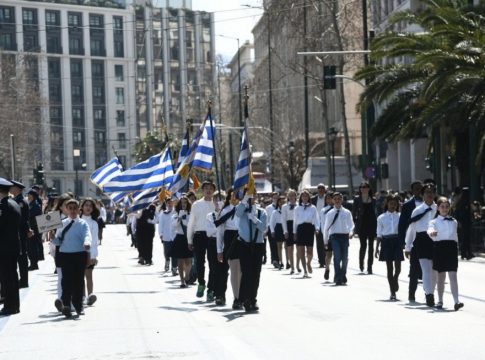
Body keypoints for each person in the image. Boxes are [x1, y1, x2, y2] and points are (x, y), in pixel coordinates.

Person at [53, 198, 91, 318]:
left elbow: (87, 235)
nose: (73, 211)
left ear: (79, 210)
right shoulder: (62, 223)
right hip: (65, 256)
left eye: (75, 208)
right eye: (70, 208)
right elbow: (58, 241)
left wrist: (87, 242)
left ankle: (79, 307)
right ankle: (66, 306)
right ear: (66, 210)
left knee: (78, 282)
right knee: (66, 282)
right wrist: (51, 236)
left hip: (79, 255)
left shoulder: (83, 223)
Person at [428, 197, 463, 311]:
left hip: (452, 249)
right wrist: (432, 233)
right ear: (438, 208)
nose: (445, 209)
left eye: (447, 207)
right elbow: (429, 230)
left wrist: (457, 247)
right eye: (442, 207)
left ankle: (456, 301)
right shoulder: (433, 222)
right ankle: (440, 300)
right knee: (441, 277)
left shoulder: (454, 221)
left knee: (453, 276)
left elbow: (455, 236)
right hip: (440, 248)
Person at [405, 183, 437, 307]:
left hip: (436, 240)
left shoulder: (438, 208)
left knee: (435, 270)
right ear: (422, 195)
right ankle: (429, 295)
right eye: (427, 192)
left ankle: (431, 292)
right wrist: (408, 246)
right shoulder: (417, 210)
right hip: (421, 240)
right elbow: (411, 229)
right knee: (425, 269)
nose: (429, 194)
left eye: (431, 192)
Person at [236, 189, 267, 312]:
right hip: (244, 245)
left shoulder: (262, 212)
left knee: (255, 274)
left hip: (258, 245)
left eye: (253, 194)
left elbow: (263, 228)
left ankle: (253, 298)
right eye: (248, 194)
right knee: (246, 272)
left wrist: (254, 219)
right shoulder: (242, 209)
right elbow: (237, 214)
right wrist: (244, 201)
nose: (251, 197)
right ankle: (245, 299)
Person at [187, 180, 216, 299]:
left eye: (211, 188)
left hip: (213, 236)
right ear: (202, 191)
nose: (208, 190)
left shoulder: (217, 204)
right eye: (206, 188)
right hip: (199, 235)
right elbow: (191, 223)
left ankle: (211, 288)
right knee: (199, 262)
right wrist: (189, 240)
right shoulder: (196, 204)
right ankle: (201, 283)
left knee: (213, 263)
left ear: (214, 191)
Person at [215, 189, 241, 309]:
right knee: (234, 271)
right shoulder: (225, 211)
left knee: (242, 272)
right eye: (233, 195)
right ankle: (236, 298)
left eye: (237, 195)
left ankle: (242, 295)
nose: (235, 197)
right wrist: (219, 250)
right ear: (229, 197)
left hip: (243, 239)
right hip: (230, 241)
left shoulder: (244, 208)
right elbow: (219, 232)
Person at [398, 181, 423, 302]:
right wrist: (403, 243)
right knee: (414, 269)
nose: (418, 191)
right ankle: (411, 293)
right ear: (412, 191)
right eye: (416, 189)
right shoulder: (407, 205)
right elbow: (402, 224)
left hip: (427, 240)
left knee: (429, 270)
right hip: (413, 240)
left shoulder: (429, 204)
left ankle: (429, 294)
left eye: (420, 189)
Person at [375, 194, 403, 300]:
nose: (393, 206)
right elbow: (379, 234)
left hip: (397, 241)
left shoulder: (400, 216)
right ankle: (392, 292)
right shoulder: (381, 218)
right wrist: (377, 248)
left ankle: (395, 279)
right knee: (389, 268)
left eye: (395, 204)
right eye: (391, 204)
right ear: (387, 204)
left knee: (398, 268)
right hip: (386, 242)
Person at [0, 178, 21, 316]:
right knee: (12, 276)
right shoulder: (14, 203)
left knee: (7, 277)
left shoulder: (3, 207)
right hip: (12, 246)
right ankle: (14, 305)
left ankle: (9, 305)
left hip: (4, 248)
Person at [323, 192, 354, 286]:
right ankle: (337, 277)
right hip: (334, 237)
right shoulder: (330, 213)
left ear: (342, 200)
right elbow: (326, 228)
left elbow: (351, 224)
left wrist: (351, 232)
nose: (337, 201)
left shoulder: (347, 212)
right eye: (335, 199)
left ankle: (343, 274)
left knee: (344, 258)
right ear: (333, 200)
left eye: (339, 199)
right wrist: (325, 241)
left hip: (344, 237)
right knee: (337, 257)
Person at [352, 181, 377, 274]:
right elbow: (353, 213)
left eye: (365, 187)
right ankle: (361, 264)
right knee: (363, 245)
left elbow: (376, 212)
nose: (363, 189)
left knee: (371, 247)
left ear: (369, 188)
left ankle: (370, 267)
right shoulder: (357, 199)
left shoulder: (373, 200)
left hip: (372, 224)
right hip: (362, 225)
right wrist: (355, 224)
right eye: (361, 187)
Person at [293, 190, 320, 278]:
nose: (304, 198)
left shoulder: (313, 207)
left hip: (309, 228)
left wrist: (317, 228)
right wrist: (294, 232)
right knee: (301, 250)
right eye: (303, 196)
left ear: (308, 197)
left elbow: (316, 219)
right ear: (300, 198)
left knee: (310, 251)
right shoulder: (297, 208)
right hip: (300, 228)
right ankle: (305, 270)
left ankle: (309, 263)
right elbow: (295, 221)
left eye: (306, 196)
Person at [9, 180, 30, 288]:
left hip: (20, 232)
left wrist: (27, 230)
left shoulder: (21, 201)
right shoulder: (16, 200)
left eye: (12, 187)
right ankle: (22, 280)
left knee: (22, 258)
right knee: (21, 257)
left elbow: (22, 219)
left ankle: (24, 281)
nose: (10, 188)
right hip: (19, 232)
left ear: (17, 189)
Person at [80, 198, 99, 307]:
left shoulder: (94, 223)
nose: (88, 207)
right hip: (77, 252)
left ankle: (90, 295)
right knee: (80, 276)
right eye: (86, 205)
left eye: (90, 206)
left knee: (89, 275)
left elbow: (95, 241)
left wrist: (93, 255)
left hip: (89, 253)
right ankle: (82, 296)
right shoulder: (77, 221)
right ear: (81, 207)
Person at [171, 196, 193, 288]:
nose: (183, 204)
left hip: (188, 238)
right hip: (180, 238)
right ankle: (182, 281)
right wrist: (179, 218)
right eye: (181, 203)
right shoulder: (175, 214)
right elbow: (174, 225)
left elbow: (190, 225)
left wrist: (185, 218)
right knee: (180, 260)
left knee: (189, 261)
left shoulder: (191, 214)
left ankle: (187, 275)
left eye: (185, 202)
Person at [158, 198, 177, 275]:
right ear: (166, 204)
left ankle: (174, 268)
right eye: (168, 203)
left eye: (171, 203)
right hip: (166, 236)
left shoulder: (176, 212)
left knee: (175, 253)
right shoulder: (163, 213)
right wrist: (161, 234)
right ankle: (167, 261)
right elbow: (160, 225)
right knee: (167, 252)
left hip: (175, 236)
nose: (170, 204)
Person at [282, 189, 298, 274]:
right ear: (288, 196)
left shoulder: (299, 206)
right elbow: (283, 219)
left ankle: (298, 264)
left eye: (293, 195)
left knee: (299, 248)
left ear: (296, 196)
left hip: (298, 226)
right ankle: (292, 267)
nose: (292, 197)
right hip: (289, 226)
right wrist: (285, 231)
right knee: (290, 248)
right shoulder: (284, 207)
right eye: (290, 195)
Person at [311, 183, 327, 268]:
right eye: (319, 188)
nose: (321, 190)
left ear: (325, 190)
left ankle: (326, 259)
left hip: (326, 222)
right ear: (317, 190)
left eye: (322, 188)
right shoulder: (313, 199)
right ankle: (321, 260)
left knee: (326, 241)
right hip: (316, 222)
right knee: (319, 242)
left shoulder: (327, 198)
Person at [319, 191, 334, 280]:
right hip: (327, 235)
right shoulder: (323, 210)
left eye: (330, 198)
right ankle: (327, 268)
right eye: (327, 198)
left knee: (337, 255)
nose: (328, 200)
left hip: (336, 234)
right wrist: (323, 234)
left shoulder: (337, 209)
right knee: (328, 254)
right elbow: (322, 223)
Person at [27, 189, 42, 271]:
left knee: (32, 247)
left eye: (29, 195)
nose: (28, 196)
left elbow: (34, 217)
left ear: (32, 196)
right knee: (30, 247)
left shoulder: (35, 205)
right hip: (32, 228)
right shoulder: (31, 204)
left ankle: (34, 263)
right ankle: (32, 263)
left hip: (34, 229)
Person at [270, 196, 286, 270]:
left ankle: (288, 262)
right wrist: (272, 231)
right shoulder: (275, 212)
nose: (281, 203)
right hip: (278, 228)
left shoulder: (287, 211)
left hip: (285, 227)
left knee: (287, 246)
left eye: (283, 202)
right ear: (278, 203)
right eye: (280, 202)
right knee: (279, 247)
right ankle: (281, 261)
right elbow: (271, 222)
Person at [265, 192, 280, 268]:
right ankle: (274, 260)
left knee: (279, 245)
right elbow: (266, 219)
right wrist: (266, 230)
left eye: (277, 198)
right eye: (274, 198)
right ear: (272, 198)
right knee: (272, 245)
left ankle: (279, 259)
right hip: (270, 228)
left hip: (279, 228)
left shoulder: (281, 207)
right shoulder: (268, 208)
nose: (276, 199)